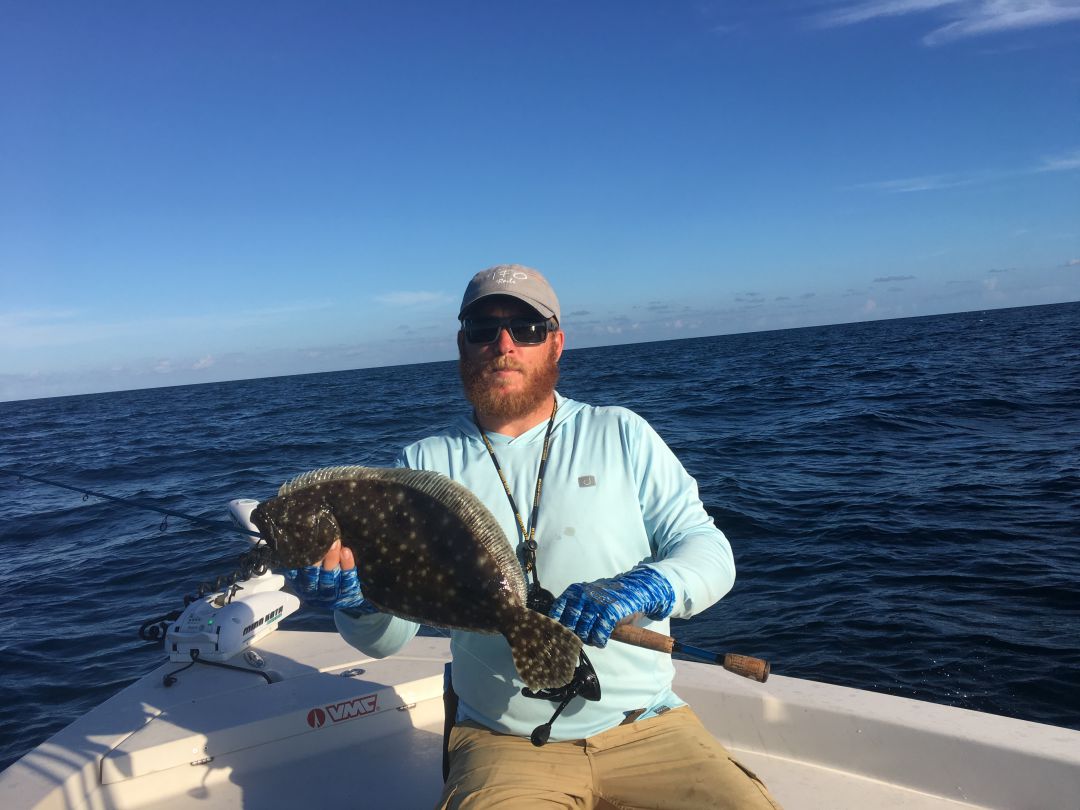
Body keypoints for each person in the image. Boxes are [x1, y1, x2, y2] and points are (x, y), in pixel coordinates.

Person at [285, 264, 782, 809]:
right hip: (505, 739)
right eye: (482, 328)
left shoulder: (620, 432)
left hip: (648, 722)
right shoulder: (423, 465)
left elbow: (709, 550)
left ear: (556, 343)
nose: (504, 344)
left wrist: (650, 584)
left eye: (526, 328)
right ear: (462, 344)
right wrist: (359, 602)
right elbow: (387, 642)